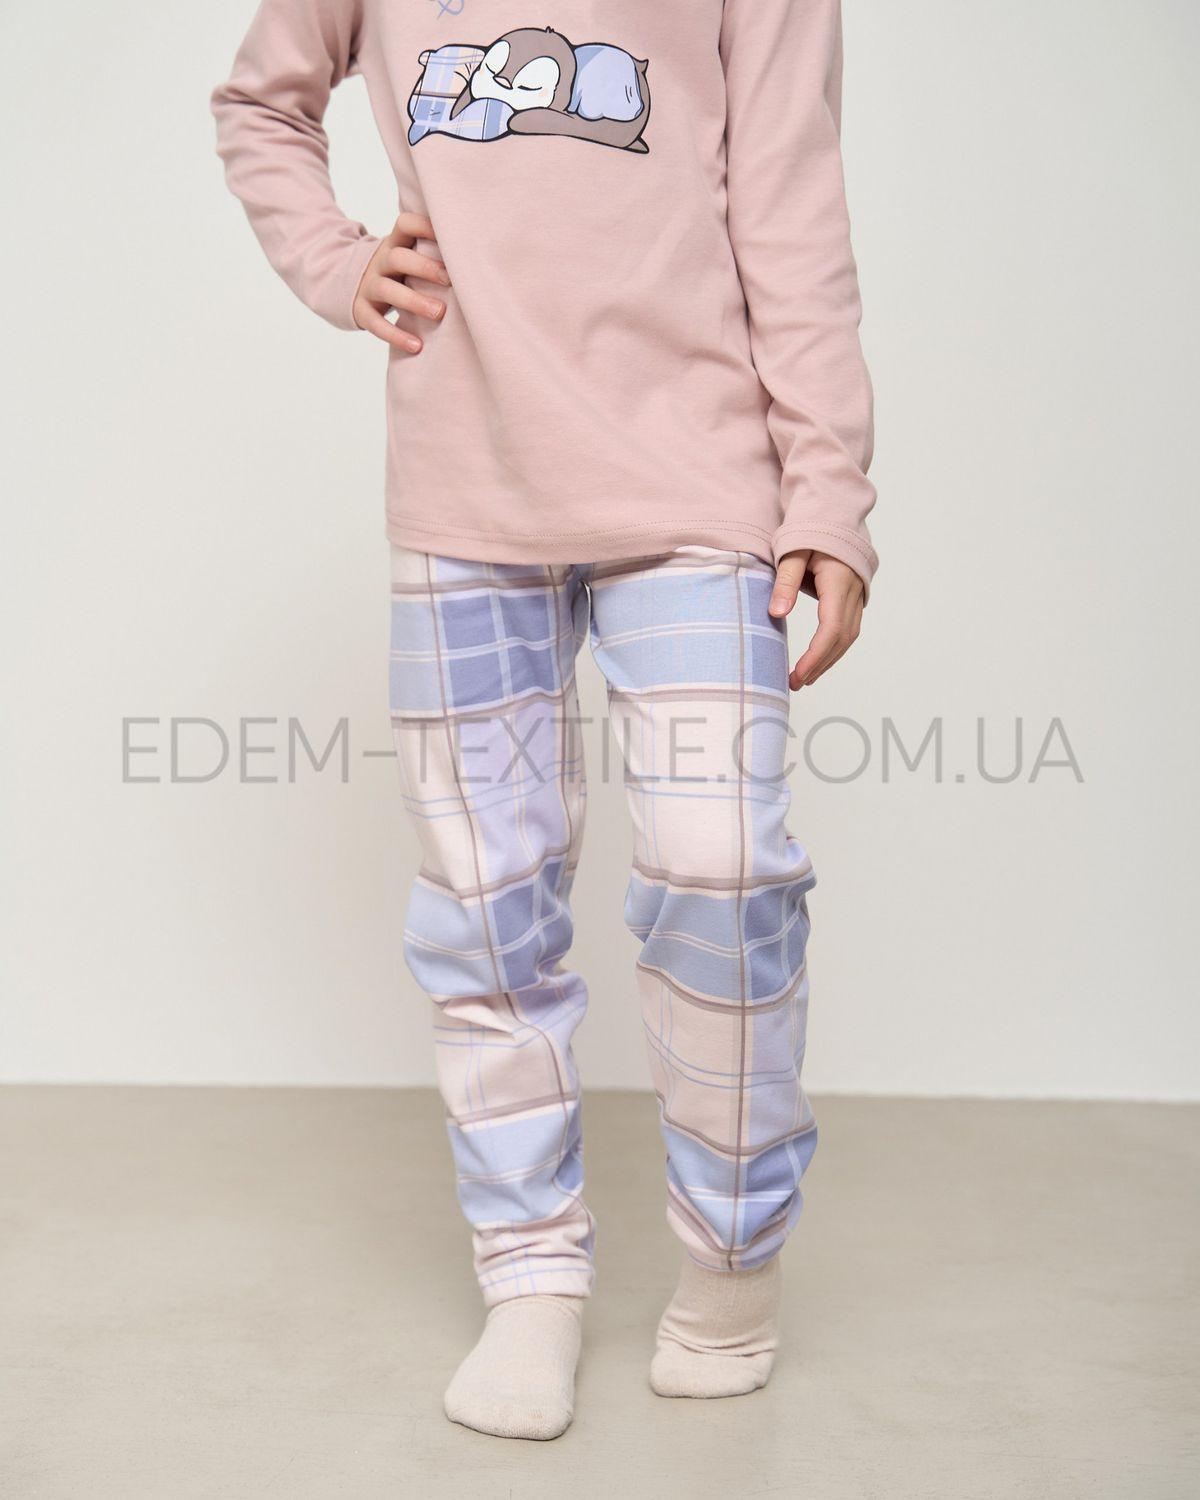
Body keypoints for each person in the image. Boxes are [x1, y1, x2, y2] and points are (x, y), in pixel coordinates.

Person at [212, 0, 877, 1442]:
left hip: (697, 480)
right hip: (468, 494)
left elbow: (791, 201)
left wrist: (828, 490)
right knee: (489, 907)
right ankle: (530, 1276)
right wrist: (334, 259)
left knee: (722, 868)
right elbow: (260, 102)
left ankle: (735, 1257)